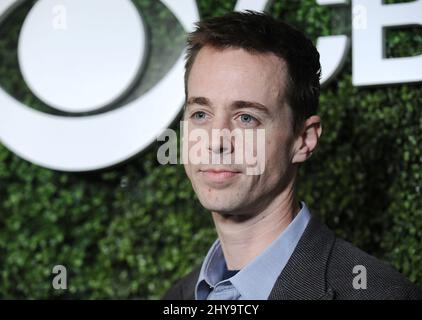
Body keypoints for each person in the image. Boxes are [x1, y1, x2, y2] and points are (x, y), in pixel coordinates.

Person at [163, 10, 421, 300]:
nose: (216, 140)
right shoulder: (179, 297)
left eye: (246, 118)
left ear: (304, 139)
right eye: (201, 113)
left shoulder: (380, 294)